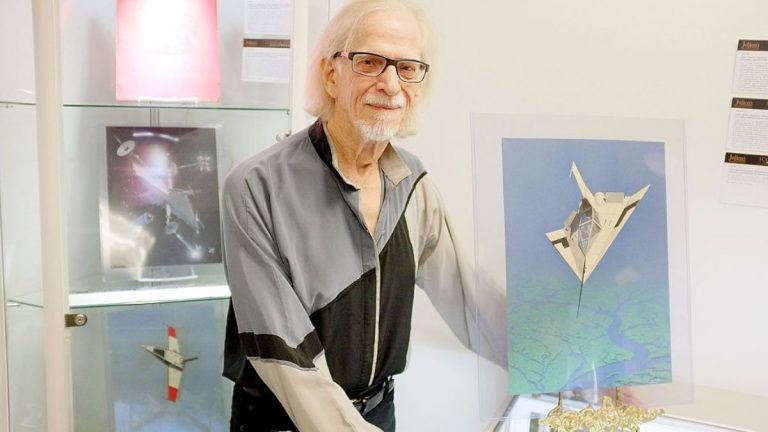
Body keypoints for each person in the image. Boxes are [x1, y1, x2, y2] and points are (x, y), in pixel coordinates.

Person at [221, 1, 505, 431]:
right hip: (281, 421)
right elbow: (284, 355)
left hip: (378, 413)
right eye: (369, 62)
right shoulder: (254, 187)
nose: (390, 84)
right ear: (331, 74)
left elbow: (473, 306)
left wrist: (572, 362)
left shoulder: (412, 184)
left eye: (407, 68)